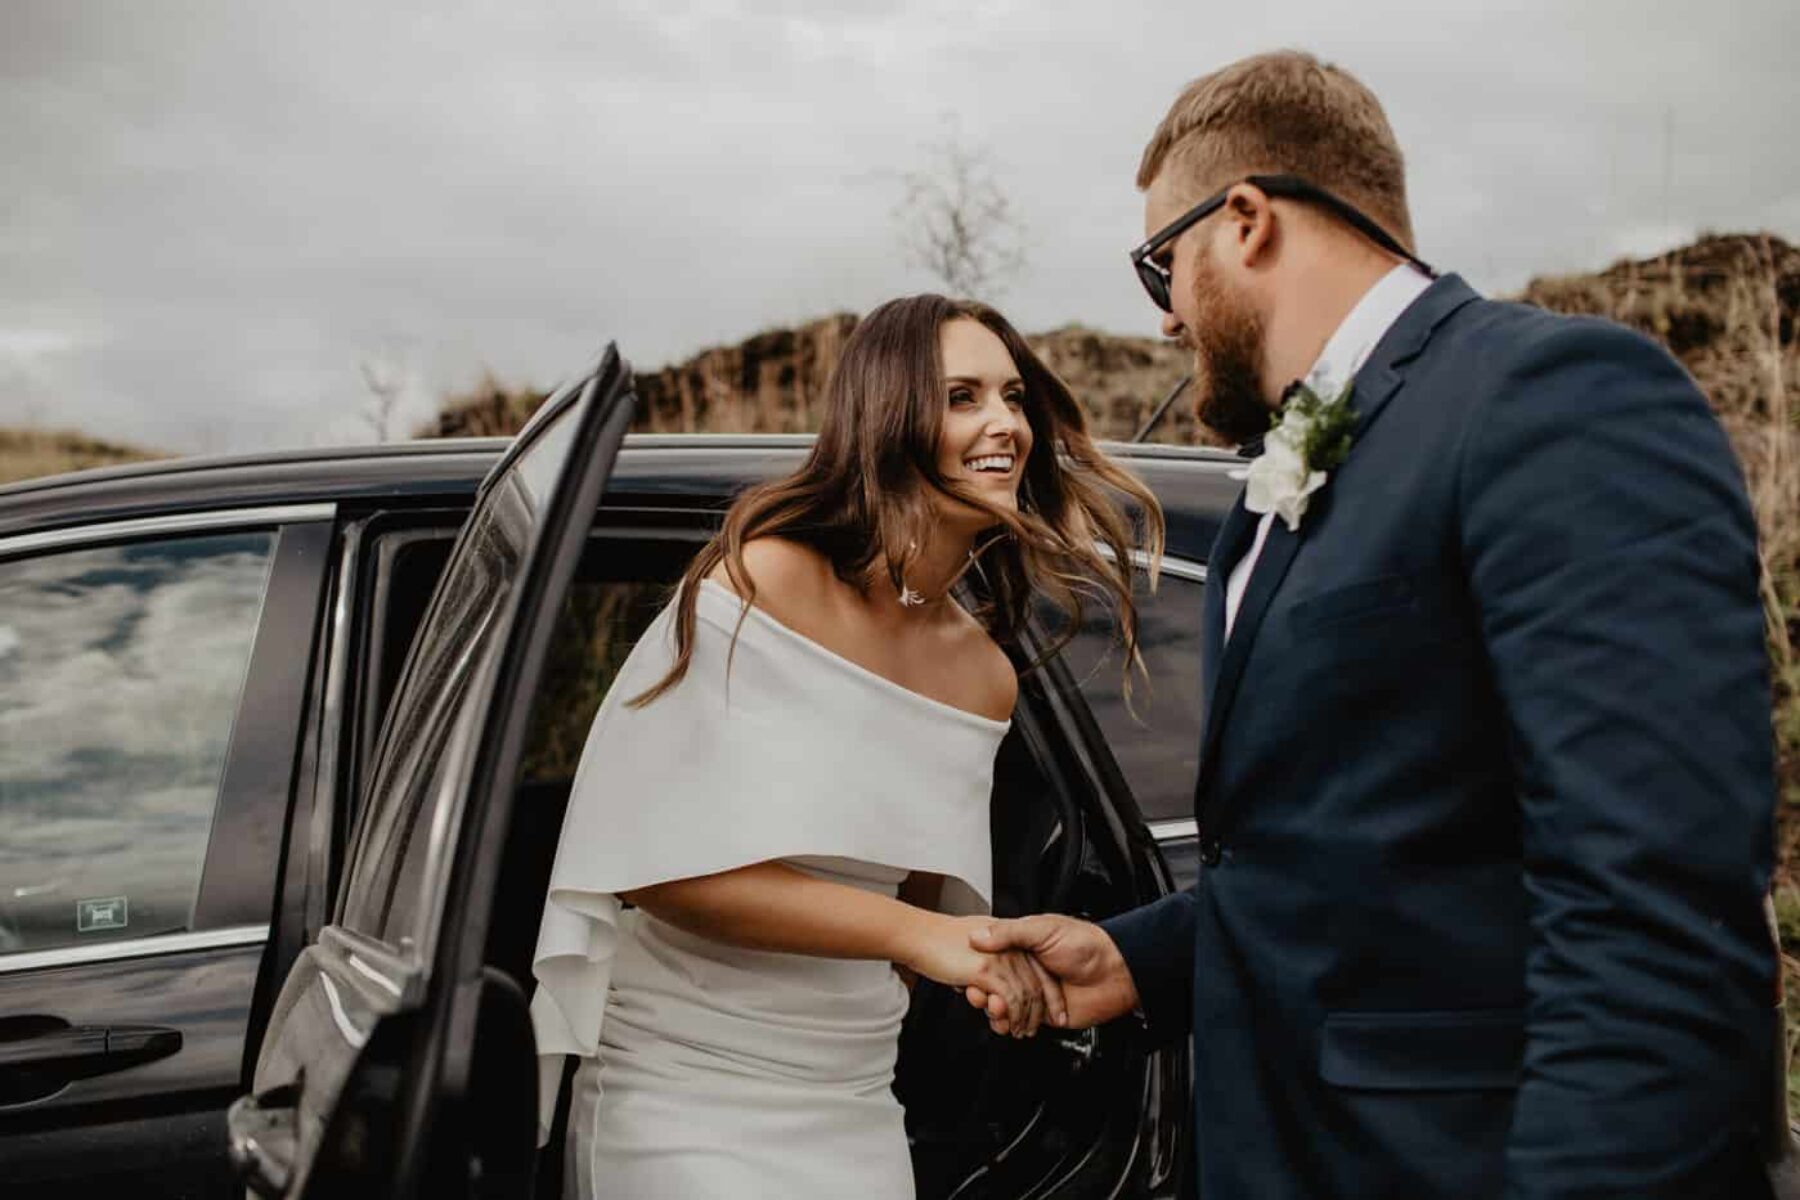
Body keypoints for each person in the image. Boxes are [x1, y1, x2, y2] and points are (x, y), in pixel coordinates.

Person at [968, 50, 1779, 1199]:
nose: (1163, 325)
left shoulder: (1551, 399)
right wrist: (1139, 960)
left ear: (1245, 221)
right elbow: (1359, 850)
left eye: (1164, 269)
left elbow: (1653, 915)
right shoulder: (1269, 503)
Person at [528, 293, 1165, 1199]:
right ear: (889, 412)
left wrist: (986, 961)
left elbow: (915, 915)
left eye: (1014, 396)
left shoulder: (984, 674)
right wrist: (932, 938)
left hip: (853, 1094)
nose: (1005, 424)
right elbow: (653, 868)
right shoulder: (765, 579)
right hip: (684, 1086)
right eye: (963, 396)